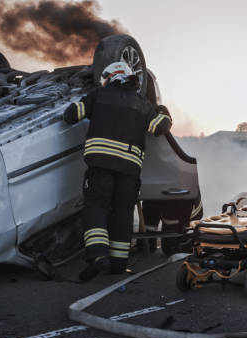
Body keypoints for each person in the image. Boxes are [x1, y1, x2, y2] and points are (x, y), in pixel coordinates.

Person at [62, 61, 172, 281]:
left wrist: (79, 104)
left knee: (96, 208)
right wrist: (163, 111)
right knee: (122, 214)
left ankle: (98, 255)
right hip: (130, 171)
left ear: (110, 77)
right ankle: (119, 264)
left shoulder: (99, 94)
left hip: (101, 166)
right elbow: (159, 127)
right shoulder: (143, 103)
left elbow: (71, 116)